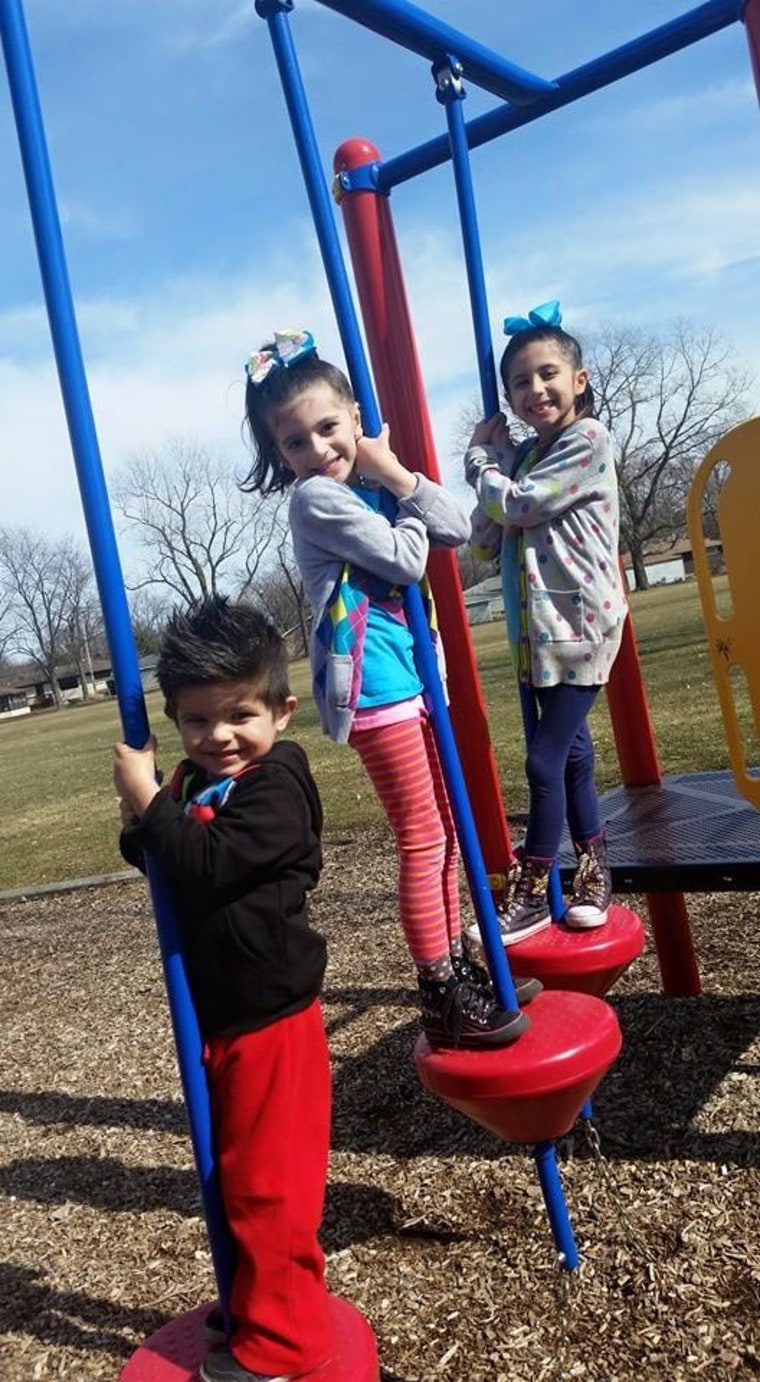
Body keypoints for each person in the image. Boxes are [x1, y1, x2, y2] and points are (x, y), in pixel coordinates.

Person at [242, 328, 537, 1053]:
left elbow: (457, 528)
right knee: (423, 837)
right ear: (283, 458)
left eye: (328, 429)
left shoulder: (368, 484)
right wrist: (389, 481)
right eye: (295, 443)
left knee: (444, 829)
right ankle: (437, 988)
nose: (317, 451)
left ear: (352, 417)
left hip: (412, 677)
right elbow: (410, 560)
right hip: (376, 691)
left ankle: (456, 962)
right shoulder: (318, 501)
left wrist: (393, 473)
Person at [114, 596, 332, 1382]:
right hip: (223, 1017)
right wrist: (145, 810)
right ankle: (257, 1302)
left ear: (281, 708)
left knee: (269, 1187)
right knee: (232, 1174)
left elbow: (203, 865)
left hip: (273, 1018)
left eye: (239, 714)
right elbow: (157, 858)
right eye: (197, 721)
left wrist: (149, 802)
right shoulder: (200, 777)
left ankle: (283, 1344)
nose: (218, 738)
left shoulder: (277, 786)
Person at [464, 301, 626, 945]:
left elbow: (518, 505)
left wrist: (481, 465)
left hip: (580, 627)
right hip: (538, 635)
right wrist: (494, 474)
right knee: (575, 758)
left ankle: (529, 893)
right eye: (520, 383)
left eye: (548, 373)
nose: (536, 390)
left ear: (579, 380)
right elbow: (484, 537)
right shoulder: (528, 457)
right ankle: (593, 873)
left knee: (543, 759)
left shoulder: (587, 442)